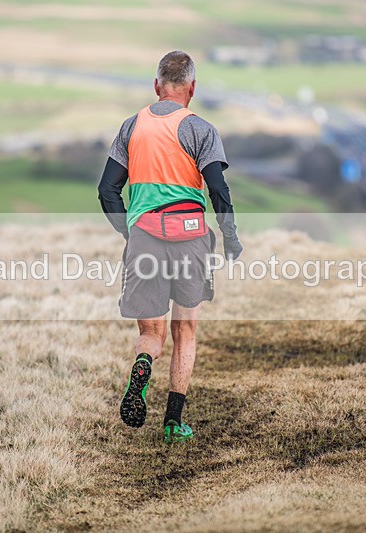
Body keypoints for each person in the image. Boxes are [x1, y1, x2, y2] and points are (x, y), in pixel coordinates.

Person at [98, 51, 242, 444]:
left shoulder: (132, 127)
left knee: (152, 333)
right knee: (186, 329)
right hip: (191, 237)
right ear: (192, 88)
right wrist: (229, 236)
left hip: (146, 234)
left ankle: (144, 362)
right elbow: (218, 189)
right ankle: (173, 423)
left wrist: (131, 232)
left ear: (156, 86)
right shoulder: (202, 130)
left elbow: (107, 190)